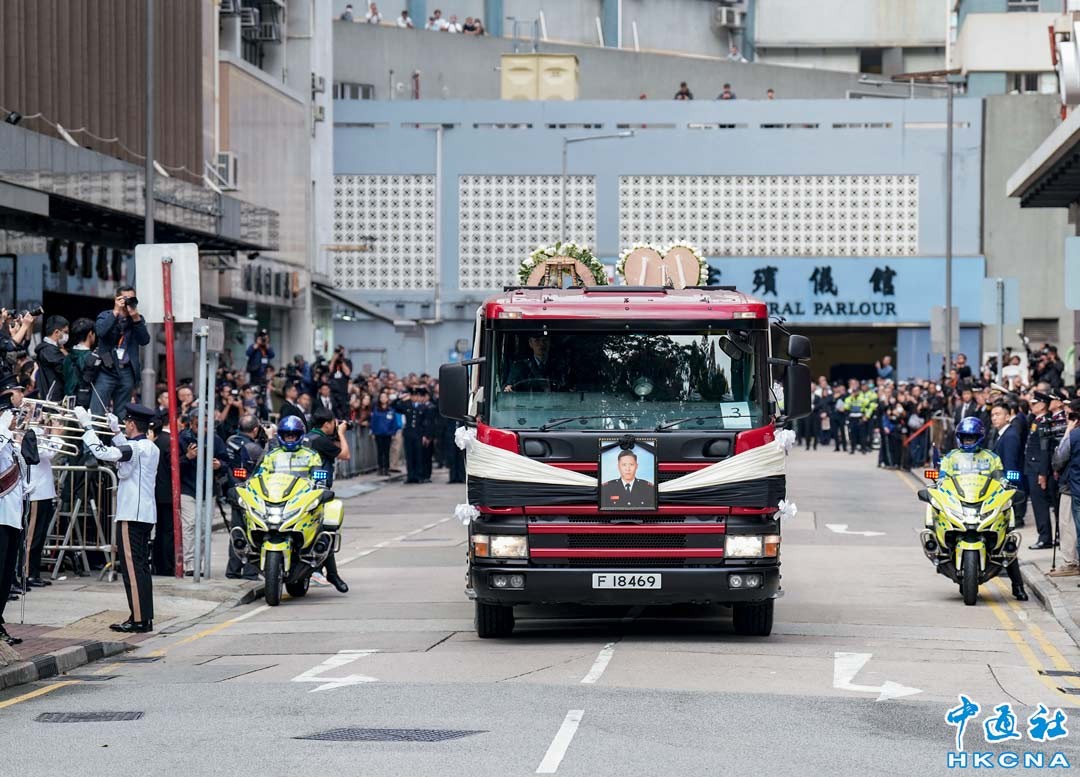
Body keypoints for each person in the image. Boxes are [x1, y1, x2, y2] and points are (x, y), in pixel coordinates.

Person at [76, 403, 161, 631]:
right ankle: (143, 617)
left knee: (132, 569)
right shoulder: (149, 447)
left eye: (126, 423)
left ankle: (139, 620)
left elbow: (104, 453)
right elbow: (128, 456)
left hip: (131, 515)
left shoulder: (135, 448)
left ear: (131, 424)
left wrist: (87, 427)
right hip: (145, 514)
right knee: (141, 568)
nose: (124, 425)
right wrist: (116, 432)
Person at [935, 417, 1028, 601]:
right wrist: (938, 484)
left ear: (979, 437)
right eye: (965, 437)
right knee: (936, 518)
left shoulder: (991, 458)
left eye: (972, 437)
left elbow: (1000, 477)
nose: (968, 440)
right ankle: (940, 551)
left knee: (1007, 542)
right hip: (961, 504)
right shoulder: (950, 457)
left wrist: (1005, 483)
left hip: (985, 504)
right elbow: (942, 479)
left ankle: (1018, 586)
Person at [255, 415, 348, 593]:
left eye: (294, 435)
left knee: (325, 531)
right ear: (281, 435)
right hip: (276, 500)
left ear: (300, 435)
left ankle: (332, 574)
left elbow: (319, 476)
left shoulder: (311, 455)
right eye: (287, 435)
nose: (290, 438)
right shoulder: (272, 456)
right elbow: (259, 476)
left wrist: (320, 487)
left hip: (303, 501)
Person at [178, 410, 229, 576]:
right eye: (198, 424)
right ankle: (190, 564)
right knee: (190, 525)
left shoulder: (215, 440)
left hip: (208, 490)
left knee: (204, 528)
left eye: (206, 424)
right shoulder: (182, 438)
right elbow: (173, 464)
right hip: (188, 488)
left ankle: (198, 564)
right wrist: (188, 457)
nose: (202, 428)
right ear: (191, 424)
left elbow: (226, 462)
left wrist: (219, 465)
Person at [92, 286, 150, 416]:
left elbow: (144, 340)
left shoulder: (137, 319)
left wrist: (136, 318)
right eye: (125, 298)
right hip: (107, 369)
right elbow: (101, 332)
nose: (128, 301)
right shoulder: (105, 315)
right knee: (97, 409)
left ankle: (119, 430)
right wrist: (116, 312)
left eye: (132, 299)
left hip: (126, 370)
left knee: (122, 412)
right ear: (117, 299)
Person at [0, 373, 26, 644]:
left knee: (6, 575)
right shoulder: (3, 435)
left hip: (12, 515)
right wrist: (4, 430)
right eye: (10, 414)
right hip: (1, 516)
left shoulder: (10, 439)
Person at [23, 418, 63, 587]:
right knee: (32, 537)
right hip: (36, 492)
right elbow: (47, 453)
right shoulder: (29, 431)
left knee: (40, 537)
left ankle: (34, 572)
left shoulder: (39, 430)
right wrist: (56, 435)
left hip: (45, 491)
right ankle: (27, 573)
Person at [225, 415, 264, 580]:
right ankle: (250, 572)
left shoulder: (230, 441)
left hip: (234, 491)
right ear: (255, 429)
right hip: (250, 495)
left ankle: (233, 570)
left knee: (237, 531)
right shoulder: (253, 448)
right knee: (254, 533)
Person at [1024, 391, 1055, 550]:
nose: (1032, 405)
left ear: (1043, 405)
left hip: (1038, 470)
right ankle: (1044, 535)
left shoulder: (1044, 423)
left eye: (1035, 403)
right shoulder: (1036, 421)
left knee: (1040, 505)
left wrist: (1043, 473)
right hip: (1032, 467)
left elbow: (1044, 451)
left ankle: (1045, 537)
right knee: (1037, 505)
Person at [991, 403, 1026, 528]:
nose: (994, 418)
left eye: (998, 414)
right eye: (992, 415)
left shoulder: (1010, 435)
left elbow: (1010, 462)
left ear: (1007, 417)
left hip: (1008, 481)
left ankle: (1017, 517)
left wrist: (1008, 483)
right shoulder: (1001, 434)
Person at [394, 386, 435, 484]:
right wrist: (400, 398)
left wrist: (426, 435)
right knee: (409, 455)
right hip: (408, 434)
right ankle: (410, 476)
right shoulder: (406, 405)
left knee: (419, 456)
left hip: (419, 434)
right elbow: (394, 406)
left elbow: (427, 423)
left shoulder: (424, 407)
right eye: (412, 395)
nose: (414, 397)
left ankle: (418, 476)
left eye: (416, 395)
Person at [62, 317, 99, 408]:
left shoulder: (67, 357)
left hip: (67, 399)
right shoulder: (92, 358)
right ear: (90, 334)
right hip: (85, 403)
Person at [35, 314, 68, 402]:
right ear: (56, 332)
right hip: (53, 398)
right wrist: (66, 355)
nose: (67, 336)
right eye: (65, 332)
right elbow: (66, 370)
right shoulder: (49, 351)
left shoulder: (53, 349)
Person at [371, 390, 398, 476]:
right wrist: (373, 432)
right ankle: (380, 468)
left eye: (384, 397)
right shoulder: (376, 410)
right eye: (381, 397)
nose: (383, 399)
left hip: (388, 434)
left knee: (386, 452)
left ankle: (386, 468)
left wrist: (393, 432)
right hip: (378, 434)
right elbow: (373, 422)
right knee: (380, 451)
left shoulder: (391, 410)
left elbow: (394, 422)